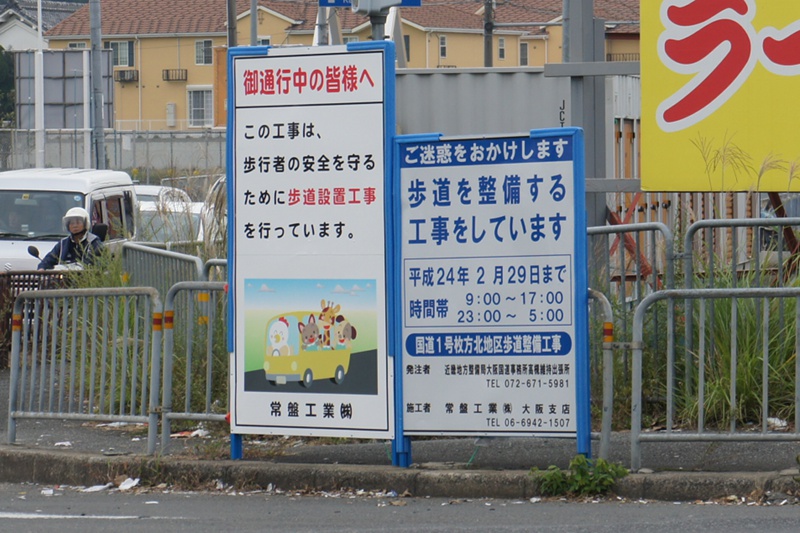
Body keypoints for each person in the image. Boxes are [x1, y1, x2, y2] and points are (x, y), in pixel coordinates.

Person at [37, 207, 104, 270]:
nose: (75, 226)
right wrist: (42, 268)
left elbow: (99, 263)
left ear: (85, 223)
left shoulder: (93, 242)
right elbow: (49, 259)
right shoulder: (63, 243)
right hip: (62, 277)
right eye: (71, 223)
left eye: (78, 222)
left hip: (85, 277)